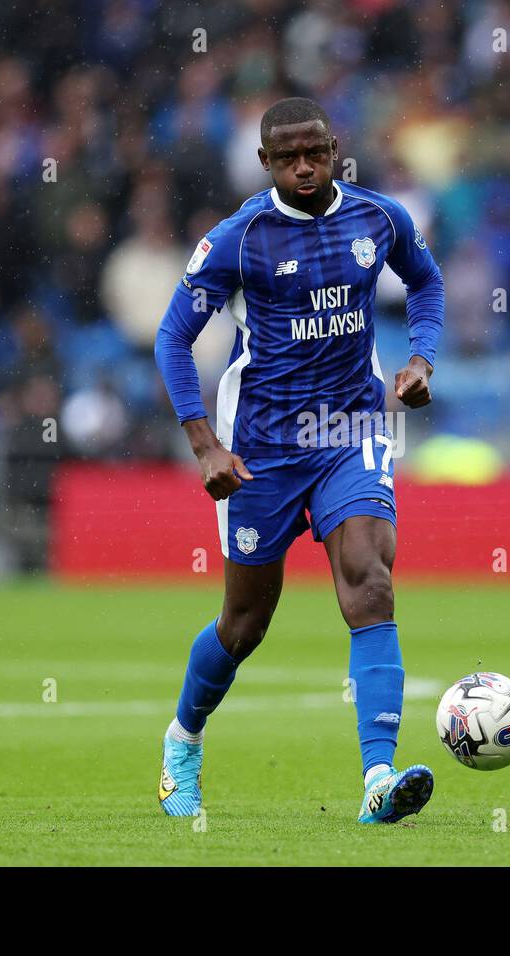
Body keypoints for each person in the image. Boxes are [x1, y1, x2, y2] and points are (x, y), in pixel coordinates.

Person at [153, 97, 445, 824]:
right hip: (262, 450)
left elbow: (427, 282)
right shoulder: (239, 239)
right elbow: (171, 338)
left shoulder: (378, 218)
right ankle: (182, 742)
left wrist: (420, 359)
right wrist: (205, 446)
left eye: (315, 152)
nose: (305, 167)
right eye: (288, 158)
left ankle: (379, 781)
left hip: (350, 430)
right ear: (265, 163)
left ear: (335, 148)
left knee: (370, 581)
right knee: (244, 624)